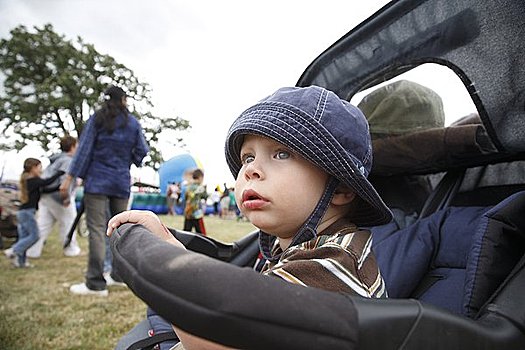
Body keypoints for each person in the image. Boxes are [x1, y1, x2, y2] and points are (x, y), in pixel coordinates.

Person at [107, 86, 392, 349]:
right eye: (247, 157)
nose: (251, 170)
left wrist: (169, 255)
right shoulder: (290, 245)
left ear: (340, 188)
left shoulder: (333, 262)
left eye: (281, 154)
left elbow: (220, 341)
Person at [61, 85, 149, 297]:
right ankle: (118, 276)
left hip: (97, 182)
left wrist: (69, 179)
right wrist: (129, 159)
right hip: (120, 182)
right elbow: (143, 150)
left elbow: (83, 150)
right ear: (123, 100)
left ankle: (95, 283)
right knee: (120, 231)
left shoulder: (97, 119)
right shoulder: (132, 123)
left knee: (98, 231)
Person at [26, 136, 82, 258]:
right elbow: (64, 184)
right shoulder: (68, 161)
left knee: (43, 225)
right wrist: (65, 198)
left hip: (46, 196)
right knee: (68, 223)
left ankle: (32, 251)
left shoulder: (55, 160)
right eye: (77, 145)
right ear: (72, 147)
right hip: (58, 197)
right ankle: (71, 249)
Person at [5, 158, 64, 268]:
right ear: (33, 168)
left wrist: (59, 187)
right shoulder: (32, 180)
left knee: (24, 237)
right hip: (27, 213)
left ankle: (20, 263)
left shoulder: (29, 181)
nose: (41, 171)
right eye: (39, 168)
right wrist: (59, 173)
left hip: (22, 213)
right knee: (34, 236)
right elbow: (46, 182)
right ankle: (14, 250)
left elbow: (45, 190)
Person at [182, 169, 207, 235]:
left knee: (186, 233)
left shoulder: (188, 187)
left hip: (188, 213)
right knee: (202, 235)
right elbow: (205, 196)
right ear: (200, 177)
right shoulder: (200, 187)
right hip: (197, 214)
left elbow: (185, 198)